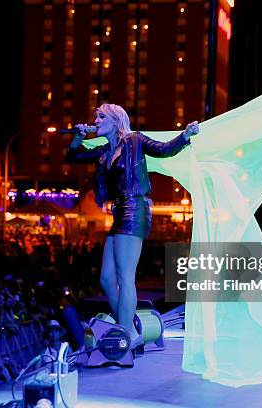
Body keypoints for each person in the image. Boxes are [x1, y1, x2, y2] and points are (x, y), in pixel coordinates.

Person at [67, 103, 198, 347]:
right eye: (95, 116)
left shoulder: (134, 141)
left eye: (100, 117)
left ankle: (125, 334)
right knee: (107, 279)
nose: (95, 120)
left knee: (125, 276)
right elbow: (73, 155)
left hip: (135, 208)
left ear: (116, 121)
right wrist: (79, 136)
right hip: (119, 212)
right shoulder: (106, 151)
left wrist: (185, 136)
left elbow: (164, 149)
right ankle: (130, 328)